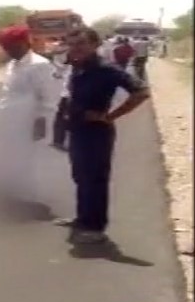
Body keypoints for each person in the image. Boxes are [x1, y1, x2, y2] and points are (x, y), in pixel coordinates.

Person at [55, 27, 150, 244]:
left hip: (96, 133)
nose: (75, 48)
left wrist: (110, 116)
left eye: (81, 44)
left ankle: (96, 228)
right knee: (80, 177)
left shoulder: (106, 69)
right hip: (78, 131)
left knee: (95, 180)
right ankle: (82, 219)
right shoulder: (78, 68)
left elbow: (141, 92)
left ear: (95, 44)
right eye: (71, 44)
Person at [0, 25, 59, 206]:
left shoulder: (40, 65)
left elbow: (48, 98)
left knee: (31, 160)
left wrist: (41, 123)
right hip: (11, 120)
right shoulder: (12, 66)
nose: (8, 50)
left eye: (11, 46)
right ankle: (17, 196)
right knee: (13, 157)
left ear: (23, 43)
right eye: (5, 47)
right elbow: (9, 93)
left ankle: (33, 201)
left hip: (30, 121)